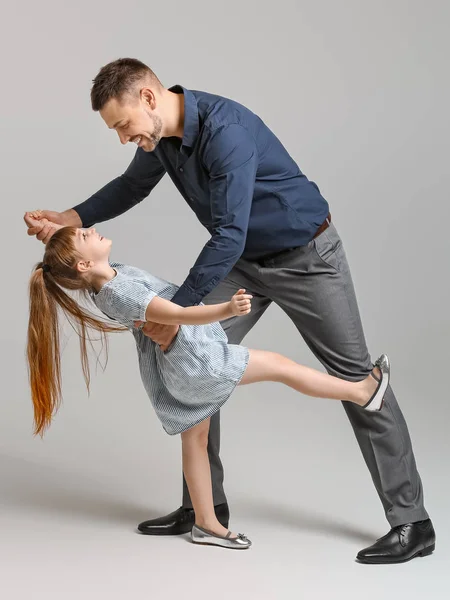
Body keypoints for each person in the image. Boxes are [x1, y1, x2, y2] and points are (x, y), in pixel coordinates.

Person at [24, 57, 435, 563]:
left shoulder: (227, 133)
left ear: (149, 98)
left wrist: (174, 310)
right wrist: (69, 217)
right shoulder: (161, 139)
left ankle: (412, 523)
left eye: (123, 125)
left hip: (307, 259)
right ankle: (203, 510)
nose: (123, 137)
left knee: (354, 377)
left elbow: (228, 233)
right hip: (241, 261)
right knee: (191, 365)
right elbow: (131, 186)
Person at [26, 222, 390, 550]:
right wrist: (228, 309)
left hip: (180, 365)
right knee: (281, 367)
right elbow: (179, 315)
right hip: (197, 361)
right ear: (83, 265)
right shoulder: (117, 292)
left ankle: (206, 523)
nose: (92, 229)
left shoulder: (108, 279)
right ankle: (361, 392)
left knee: (195, 441)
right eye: (85, 236)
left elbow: (73, 262)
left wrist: (54, 232)